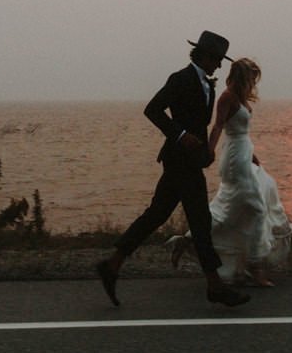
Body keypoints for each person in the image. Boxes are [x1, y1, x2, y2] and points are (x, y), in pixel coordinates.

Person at [95, 31, 250, 307]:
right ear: (205, 56)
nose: (219, 65)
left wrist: (204, 152)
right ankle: (215, 286)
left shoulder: (208, 86)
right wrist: (179, 136)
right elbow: (152, 109)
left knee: (156, 215)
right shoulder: (180, 79)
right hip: (178, 162)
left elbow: (200, 127)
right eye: (216, 59)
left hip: (190, 162)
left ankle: (112, 264)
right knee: (201, 222)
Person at [166, 57, 292, 286]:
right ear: (242, 76)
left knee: (229, 208)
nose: (254, 81)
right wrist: (209, 152)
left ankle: (187, 240)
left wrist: (254, 157)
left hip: (245, 153)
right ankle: (256, 268)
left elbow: (243, 132)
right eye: (252, 76)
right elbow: (218, 126)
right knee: (255, 209)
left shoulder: (241, 98)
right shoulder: (227, 97)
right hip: (235, 158)